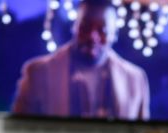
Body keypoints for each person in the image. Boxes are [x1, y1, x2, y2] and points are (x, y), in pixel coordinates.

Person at [11, 0, 150, 120]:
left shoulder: (136, 79)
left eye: (103, 30)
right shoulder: (37, 73)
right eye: (85, 27)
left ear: (114, 35)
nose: (92, 37)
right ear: (74, 27)